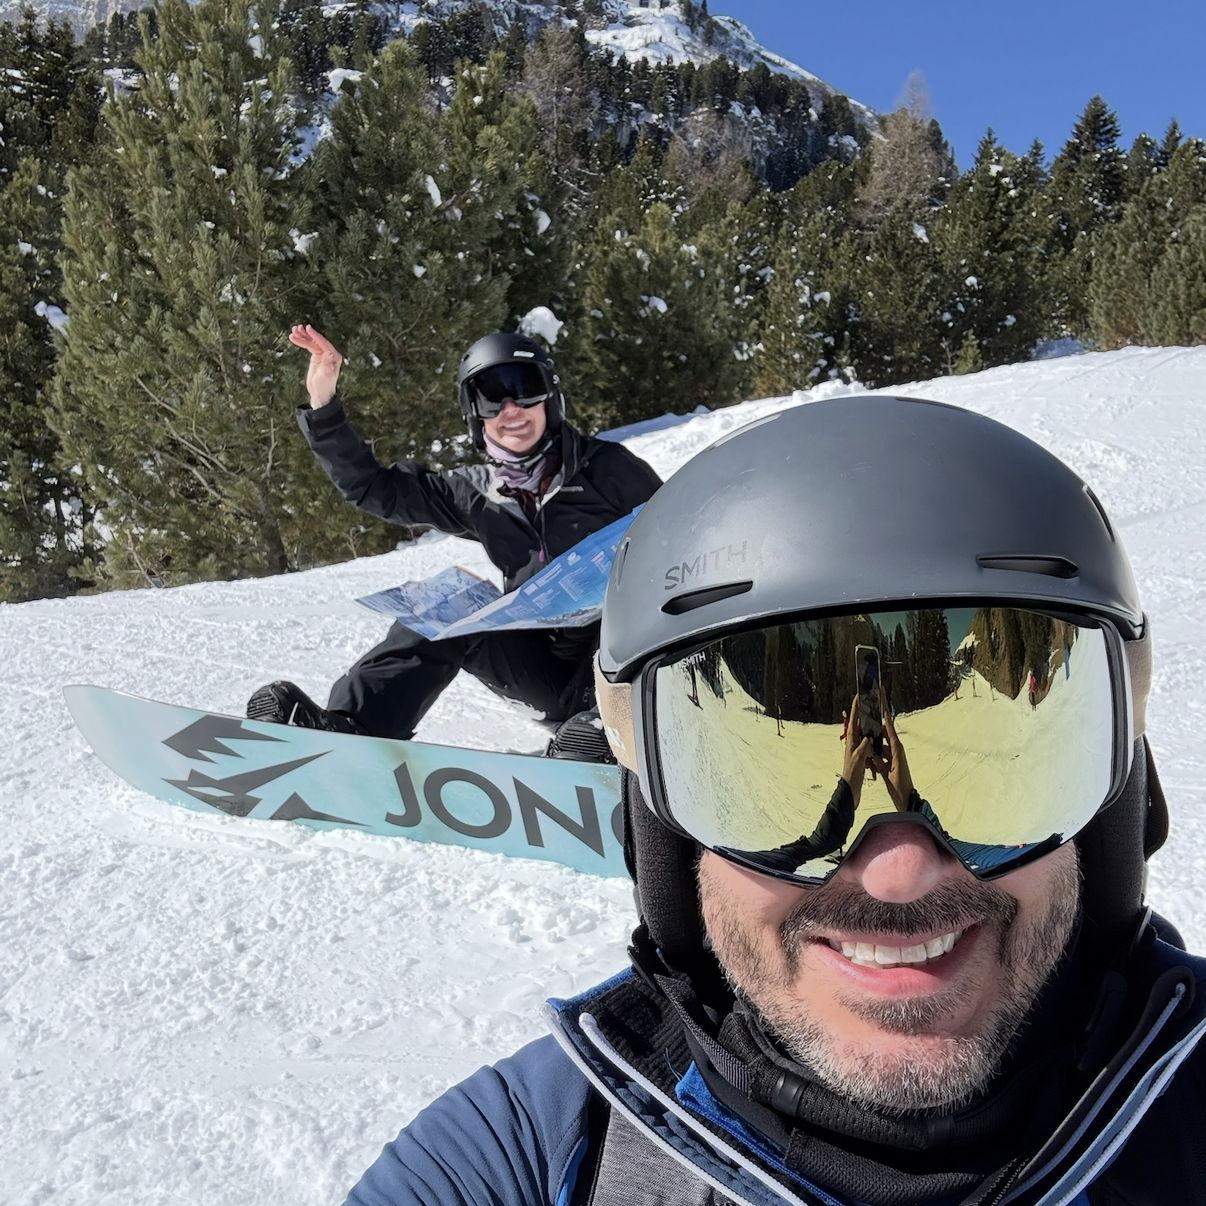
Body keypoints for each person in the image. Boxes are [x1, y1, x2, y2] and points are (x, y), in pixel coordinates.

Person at [342, 396, 1205, 1205]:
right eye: (760, 781)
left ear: (1117, 804)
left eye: (1006, 765)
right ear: (661, 836)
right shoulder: (532, 1152)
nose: (898, 875)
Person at [246, 325, 661, 740]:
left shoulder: (609, 470)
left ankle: (602, 736)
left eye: (525, 390)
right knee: (446, 606)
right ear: (475, 416)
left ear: (550, 400)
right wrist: (323, 405)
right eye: (491, 398)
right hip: (546, 676)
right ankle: (353, 730)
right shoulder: (478, 492)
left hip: (629, 675)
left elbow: (677, 540)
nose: (511, 411)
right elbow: (374, 489)